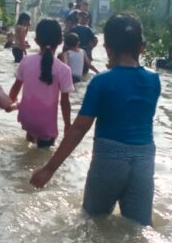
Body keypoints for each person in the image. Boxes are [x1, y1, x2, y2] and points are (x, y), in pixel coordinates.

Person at [30, 14, 161, 226]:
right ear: (142, 48)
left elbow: (79, 129)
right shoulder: (154, 80)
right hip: (144, 163)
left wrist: (49, 169)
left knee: (92, 223)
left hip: (108, 162)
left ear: (108, 49)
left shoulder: (102, 82)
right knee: (138, 228)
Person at [9, 19, 74, 148]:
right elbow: (65, 102)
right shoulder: (63, 69)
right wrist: (68, 125)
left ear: (37, 40)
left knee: (29, 142)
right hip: (45, 126)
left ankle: (30, 137)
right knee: (42, 157)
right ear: (60, 41)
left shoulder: (26, 61)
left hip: (26, 118)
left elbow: (16, 87)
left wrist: (10, 102)